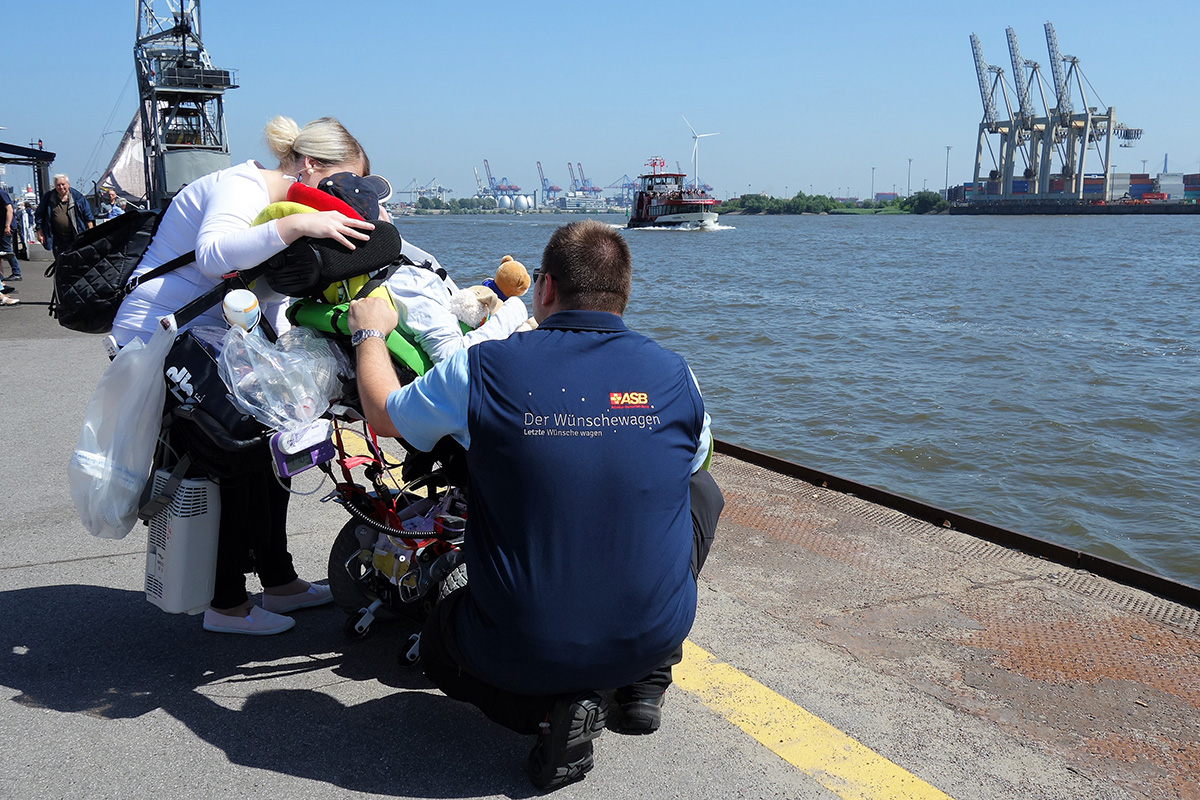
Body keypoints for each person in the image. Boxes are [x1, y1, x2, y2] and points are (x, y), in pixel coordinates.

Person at [346, 218, 724, 790]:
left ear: (543, 289)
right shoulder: (676, 374)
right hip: (652, 633)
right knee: (700, 489)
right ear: (623, 295)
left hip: (521, 648)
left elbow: (381, 412)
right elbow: (692, 462)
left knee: (443, 639)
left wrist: (369, 333)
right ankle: (647, 681)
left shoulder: (486, 366)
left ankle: (547, 717)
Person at [113, 115, 376, 636]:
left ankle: (279, 584)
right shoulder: (242, 185)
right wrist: (301, 225)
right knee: (228, 458)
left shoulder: (283, 204)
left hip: (214, 340)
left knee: (271, 453)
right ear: (308, 166)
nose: (343, 198)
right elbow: (214, 256)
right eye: (339, 183)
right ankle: (226, 605)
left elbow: (269, 299)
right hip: (159, 337)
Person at [33, 174, 95, 260]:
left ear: (68, 184)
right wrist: (39, 233)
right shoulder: (48, 197)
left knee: (76, 260)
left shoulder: (77, 197)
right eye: (58, 185)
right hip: (57, 237)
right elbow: (39, 215)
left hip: (75, 235)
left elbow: (87, 216)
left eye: (63, 184)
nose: (61, 187)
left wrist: (91, 233)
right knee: (60, 261)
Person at [0, 185, 20, 281]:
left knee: (6, 249)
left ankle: (17, 272)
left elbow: (9, 209)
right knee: (2, 251)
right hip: (3, 226)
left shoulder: (1, 193)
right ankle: (1, 276)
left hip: (6, 226)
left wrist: (7, 225)